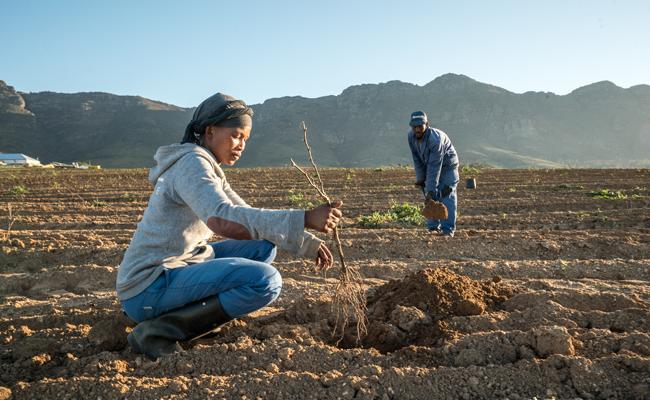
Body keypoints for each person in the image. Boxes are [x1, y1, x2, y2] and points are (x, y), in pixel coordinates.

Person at [116, 92, 342, 360]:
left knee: (261, 246)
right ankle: (159, 331)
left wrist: (306, 242)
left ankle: (191, 315)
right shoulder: (192, 163)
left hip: (180, 264)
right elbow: (223, 220)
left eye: (245, 139)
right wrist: (304, 217)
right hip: (149, 284)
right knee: (265, 281)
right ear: (210, 131)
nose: (241, 144)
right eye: (236, 135)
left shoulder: (208, 166)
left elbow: (243, 214)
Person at [407, 111, 459, 236]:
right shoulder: (411, 136)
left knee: (446, 194)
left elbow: (434, 167)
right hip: (430, 166)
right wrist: (421, 180)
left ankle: (447, 230)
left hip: (447, 167)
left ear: (427, 124)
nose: (417, 129)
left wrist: (430, 189)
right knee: (429, 195)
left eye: (420, 126)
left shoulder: (435, 139)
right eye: (415, 127)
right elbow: (417, 159)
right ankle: (433, 228)